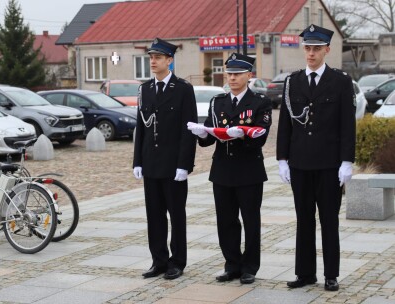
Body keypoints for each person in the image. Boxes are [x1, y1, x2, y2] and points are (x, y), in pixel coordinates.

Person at [277, 24, 356, 292]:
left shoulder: (341, 81)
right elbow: (286, 123)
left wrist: (347, 161)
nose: (310, 53)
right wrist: (282, 159)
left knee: (329, 221)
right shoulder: (293, 81)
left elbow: (347, 125)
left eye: (316, 49)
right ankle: (305, 273)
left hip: (329, 164)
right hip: (300, 163)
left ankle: (331, 274)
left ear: (327, 50)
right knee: (304, 219)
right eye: (307, 48)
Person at [188, 53, 272, 284]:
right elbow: (209, 136)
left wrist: (242, 134)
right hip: (223, 170)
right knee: (226, 221)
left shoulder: (260, 102)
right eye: (230, 74)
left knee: (250, 220)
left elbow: (260, 138)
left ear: (249, 75)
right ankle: (231, 264)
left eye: (237, 74)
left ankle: (250, 267)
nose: (232, 78)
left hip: (249, 171)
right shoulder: (218, 102)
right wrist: (202, 134)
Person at [133, 37, 198, 280]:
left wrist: (184, 165)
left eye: (158, 57)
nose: (153, 61)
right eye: (151, 57)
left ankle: (177, 261)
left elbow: (188, 129)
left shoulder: (182, 89)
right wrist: (137, 161)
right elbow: (142, 127)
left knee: (176, 215)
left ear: (169, 61)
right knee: (154, 216)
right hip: (151, 163)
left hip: (173, 166)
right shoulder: (145, 89)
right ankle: (158, 260)